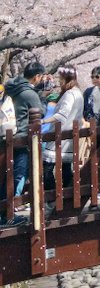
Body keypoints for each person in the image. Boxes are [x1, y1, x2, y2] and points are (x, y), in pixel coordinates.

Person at [1, 61, 46, 219]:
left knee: (6, 174)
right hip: (21, 138)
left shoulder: (10, 87)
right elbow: (40, 113)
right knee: (18, 176)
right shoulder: (29, 93)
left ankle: (6, 212)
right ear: (37, 77)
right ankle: (7, 215)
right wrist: (42, 96)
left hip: (6, 137)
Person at [42, 66, 84, 208]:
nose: (59, 80)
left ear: (66, 78)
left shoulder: (69, 94)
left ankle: (53, 199)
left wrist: (42, 121)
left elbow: (62, 115)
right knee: (66, 168)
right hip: (70, 137)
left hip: (60, 137)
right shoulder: (78, 93)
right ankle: (67, 199)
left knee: (46, 168)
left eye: (60, 78)